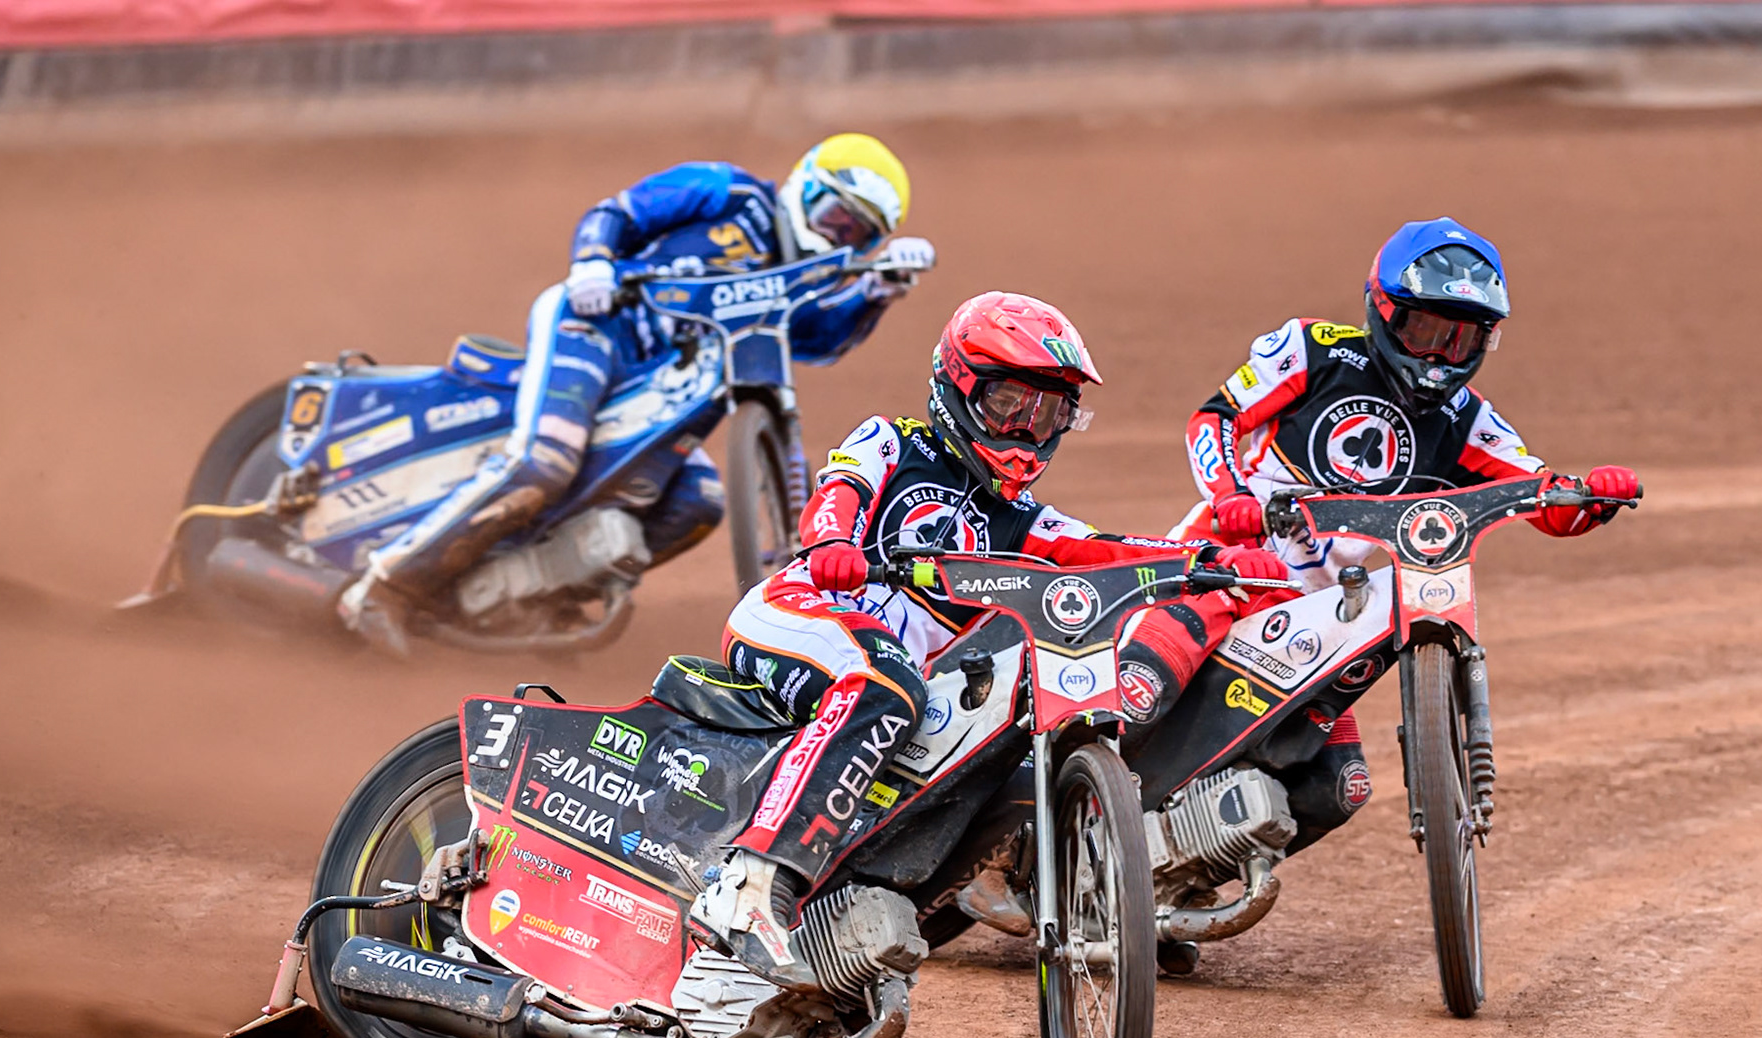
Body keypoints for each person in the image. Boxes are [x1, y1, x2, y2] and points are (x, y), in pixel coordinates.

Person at [688, 291, 1288, 991]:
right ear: (959, 385)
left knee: (978, 705)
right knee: (886, 684)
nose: (1026, 431)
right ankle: (751, 887)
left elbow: (1101, 550)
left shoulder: (1023, 516)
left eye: (1049, 414)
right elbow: (839, 492)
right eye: (1011, 406)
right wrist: (831, 543)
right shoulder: (895, 441)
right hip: (798, 610)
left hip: (884, 672)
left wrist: (1207, 565)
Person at [339, 133, 937, 655]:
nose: (839, 236)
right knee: (544, 462)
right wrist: (594, 263)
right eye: (837, 216)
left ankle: (536, 595)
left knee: (699, 499)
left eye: (857, 236)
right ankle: (382, 588)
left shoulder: (801, 280)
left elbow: (813, 339)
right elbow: (617, 213)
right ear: (806, 186)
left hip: (660, 386)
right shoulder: (728, 193)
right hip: (596, 328)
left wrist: (874, 290)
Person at [1166, 216, 1642, 856]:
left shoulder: (1468, 420)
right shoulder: (1312, 349)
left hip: (1327, 635)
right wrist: (1230, 497)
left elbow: (1543, 497)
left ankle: (1170, 889)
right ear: (1385, 313)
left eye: (1460, 338)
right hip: (1231, 572)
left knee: (1340, 788)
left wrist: (1593, 495)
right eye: (1424, 331)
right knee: (1144, 696)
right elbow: (1215, 417)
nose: (1437, 355)